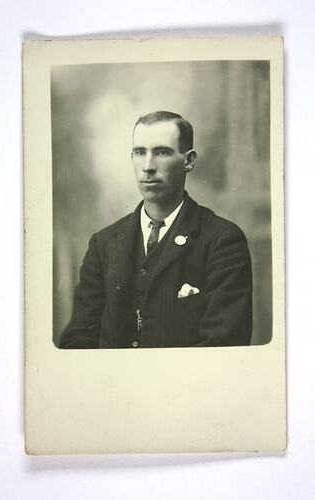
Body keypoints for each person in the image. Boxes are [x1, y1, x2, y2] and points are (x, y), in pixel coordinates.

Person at [58, 111, 252, 349]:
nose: (148, 167)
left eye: (162, 152)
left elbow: (224, 345)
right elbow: (78, 340)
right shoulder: (103, 243)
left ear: (188, 161)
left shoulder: (222, 241)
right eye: (140, 152)